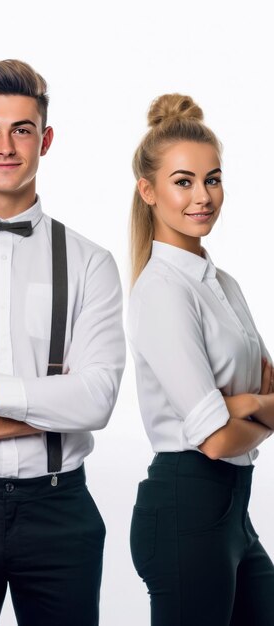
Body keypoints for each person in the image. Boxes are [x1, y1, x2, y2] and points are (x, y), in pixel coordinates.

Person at [0, 59, 125, 626]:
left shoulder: (91, 263)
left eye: (22, 129)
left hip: (60, 509)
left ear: (46, 139)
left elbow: (96, 401)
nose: (5, 146)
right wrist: (14, 419)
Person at [127, 93, 274, 625]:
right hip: (185, 507)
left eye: (212, 179)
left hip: (233, 511)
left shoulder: (222, 282)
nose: (203, 196)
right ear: (149, 190)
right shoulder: (162, 291)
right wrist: (257, 405)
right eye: (183, 181)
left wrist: (242, 406)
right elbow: (214, 440)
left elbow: (266, 391)